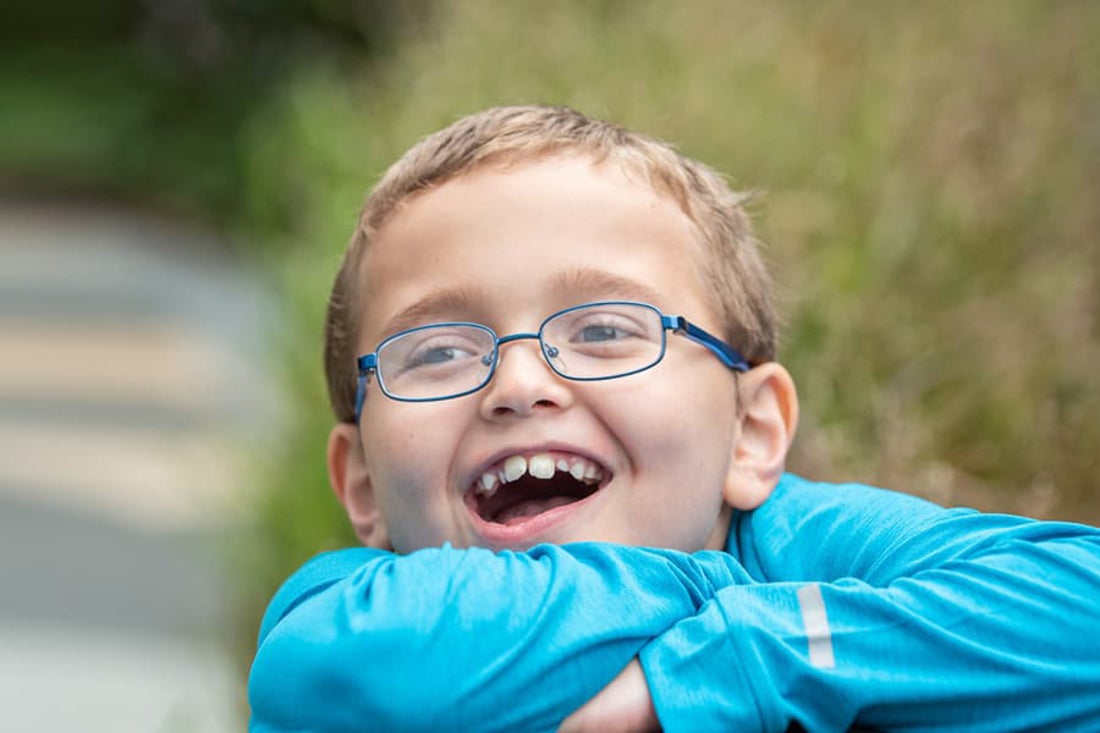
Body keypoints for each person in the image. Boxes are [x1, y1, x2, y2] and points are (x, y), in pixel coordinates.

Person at [247, 105, 1100, 732]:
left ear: (752, 432)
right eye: (436, 350)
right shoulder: (350, 610)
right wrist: (761, 602)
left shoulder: (800, 540)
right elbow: (326, 666)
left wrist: (737, 658)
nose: (517, 381)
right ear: (360, 481)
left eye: (607, 331)